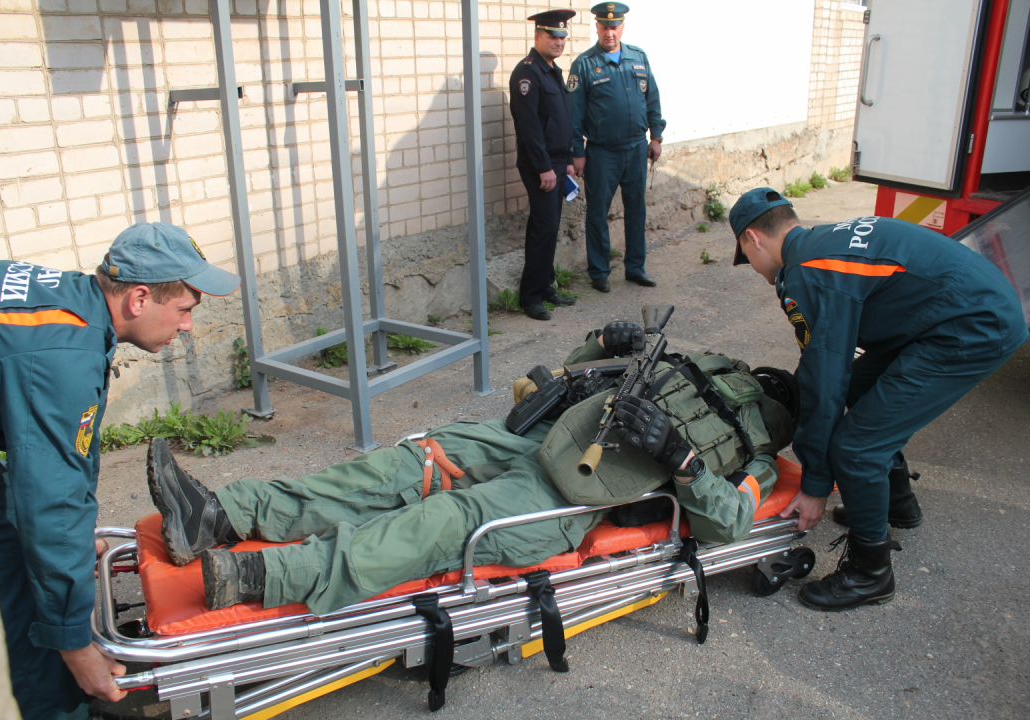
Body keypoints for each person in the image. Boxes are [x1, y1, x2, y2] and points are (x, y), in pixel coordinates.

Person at [146, 322, 798, 615]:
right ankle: (221, 514)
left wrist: (681, 460)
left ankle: (263, 575)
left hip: (581, 492)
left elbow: (731, 521)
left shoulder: (756, 455)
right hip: (543, 434)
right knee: (409, 464)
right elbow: (576, 378)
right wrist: (603, 344)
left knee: (446, 521)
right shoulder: (688, 367)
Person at [0, 223, 241, 720]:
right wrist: (74, 645)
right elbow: (50, 498)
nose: (188, 325)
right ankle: (53, 705)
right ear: (139, 298)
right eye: (185, 309)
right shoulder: (61, 356)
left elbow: (66, 454)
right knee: (8, 569)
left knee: (25, 541)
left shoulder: (77, 312)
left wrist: (77, 534)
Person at [729, 187, 1029, 612]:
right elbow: (833, 371)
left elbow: (823, 378)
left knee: (855, 447)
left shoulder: (808, 271)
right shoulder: (823, 241)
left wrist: (816, 482)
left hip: (972, 325)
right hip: (964, 307)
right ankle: (896, 503)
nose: (755, 270)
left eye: (747, 258)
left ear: (753, 239)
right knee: (859, 389)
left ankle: (870, 574)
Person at [567, 2, 665, 293]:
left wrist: (656, 136)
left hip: (636, 148)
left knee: (637, 211)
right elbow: (575, 114)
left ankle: (635, 268)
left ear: (622, 26)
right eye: (604, 26)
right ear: (596, 27)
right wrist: (578, 152)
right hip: (602, 152)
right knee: (597, 213)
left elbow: (653, 100)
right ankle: (599, 272)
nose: (610, 32)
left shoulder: (638, 57)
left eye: (615, 26)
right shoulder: (583, 65)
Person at [509, 9, 579, 322]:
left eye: (563, 36)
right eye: (552, 36)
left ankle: (546, 285)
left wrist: (565, 162)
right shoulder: (527, 74)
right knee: (543, 227)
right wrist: (544, 167)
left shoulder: (552, 71)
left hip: (556, 163)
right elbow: (529, 127)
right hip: (540, 166)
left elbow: (559, 122)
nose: (559, 41)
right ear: (537, 36)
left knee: (549, 228)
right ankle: (531, 296)